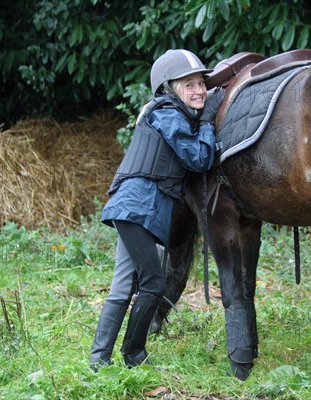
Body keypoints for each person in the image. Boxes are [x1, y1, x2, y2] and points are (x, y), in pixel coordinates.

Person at [89, 49, 225, 370]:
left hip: (135, 209)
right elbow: (199, 158)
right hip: (137, 210)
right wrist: (207, 121)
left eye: (200, 84)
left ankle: (98, 362)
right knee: (153, 283)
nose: (198, 91)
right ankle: (133, 355)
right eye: (187, 85)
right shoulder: (167, 113)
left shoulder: (167, 112)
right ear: (167, 89)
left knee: (123, 286)